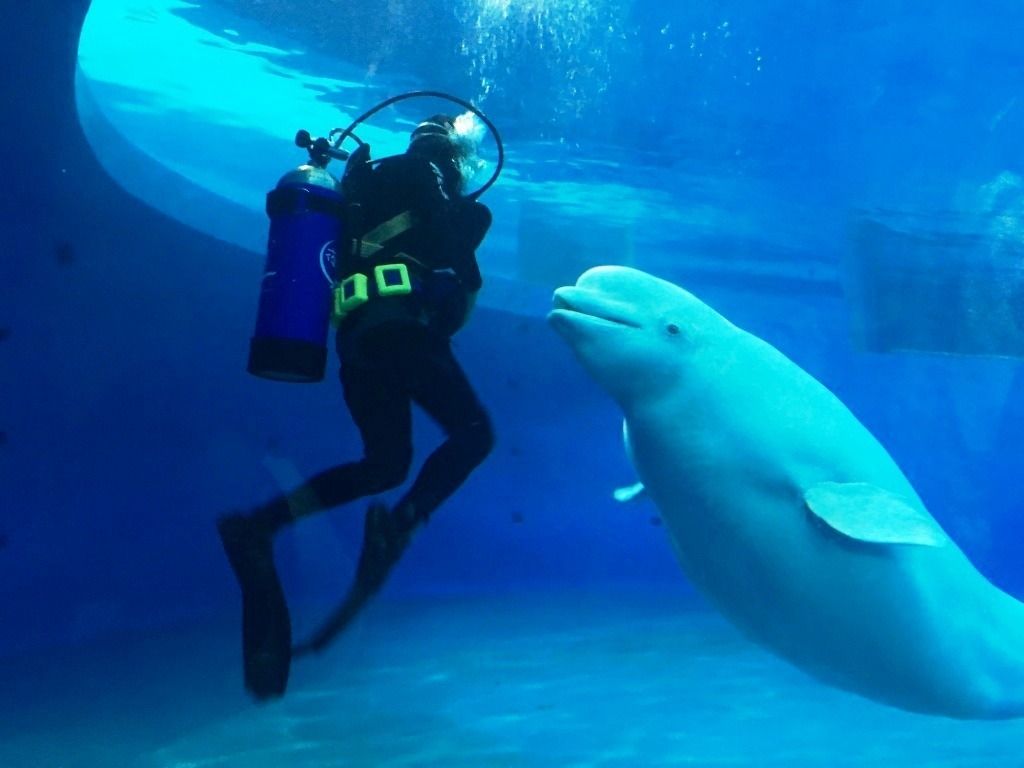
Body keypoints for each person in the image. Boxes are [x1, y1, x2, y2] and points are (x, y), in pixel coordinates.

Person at [218, 114, 494, 696]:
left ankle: (259, 527)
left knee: (384, 464)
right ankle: (400, 526)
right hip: (401, 329)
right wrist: (463, 262)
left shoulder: (361, 182)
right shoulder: (433, 174)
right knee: (473, 435)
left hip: (355, 343)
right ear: (451, 152)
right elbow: (453, 253)